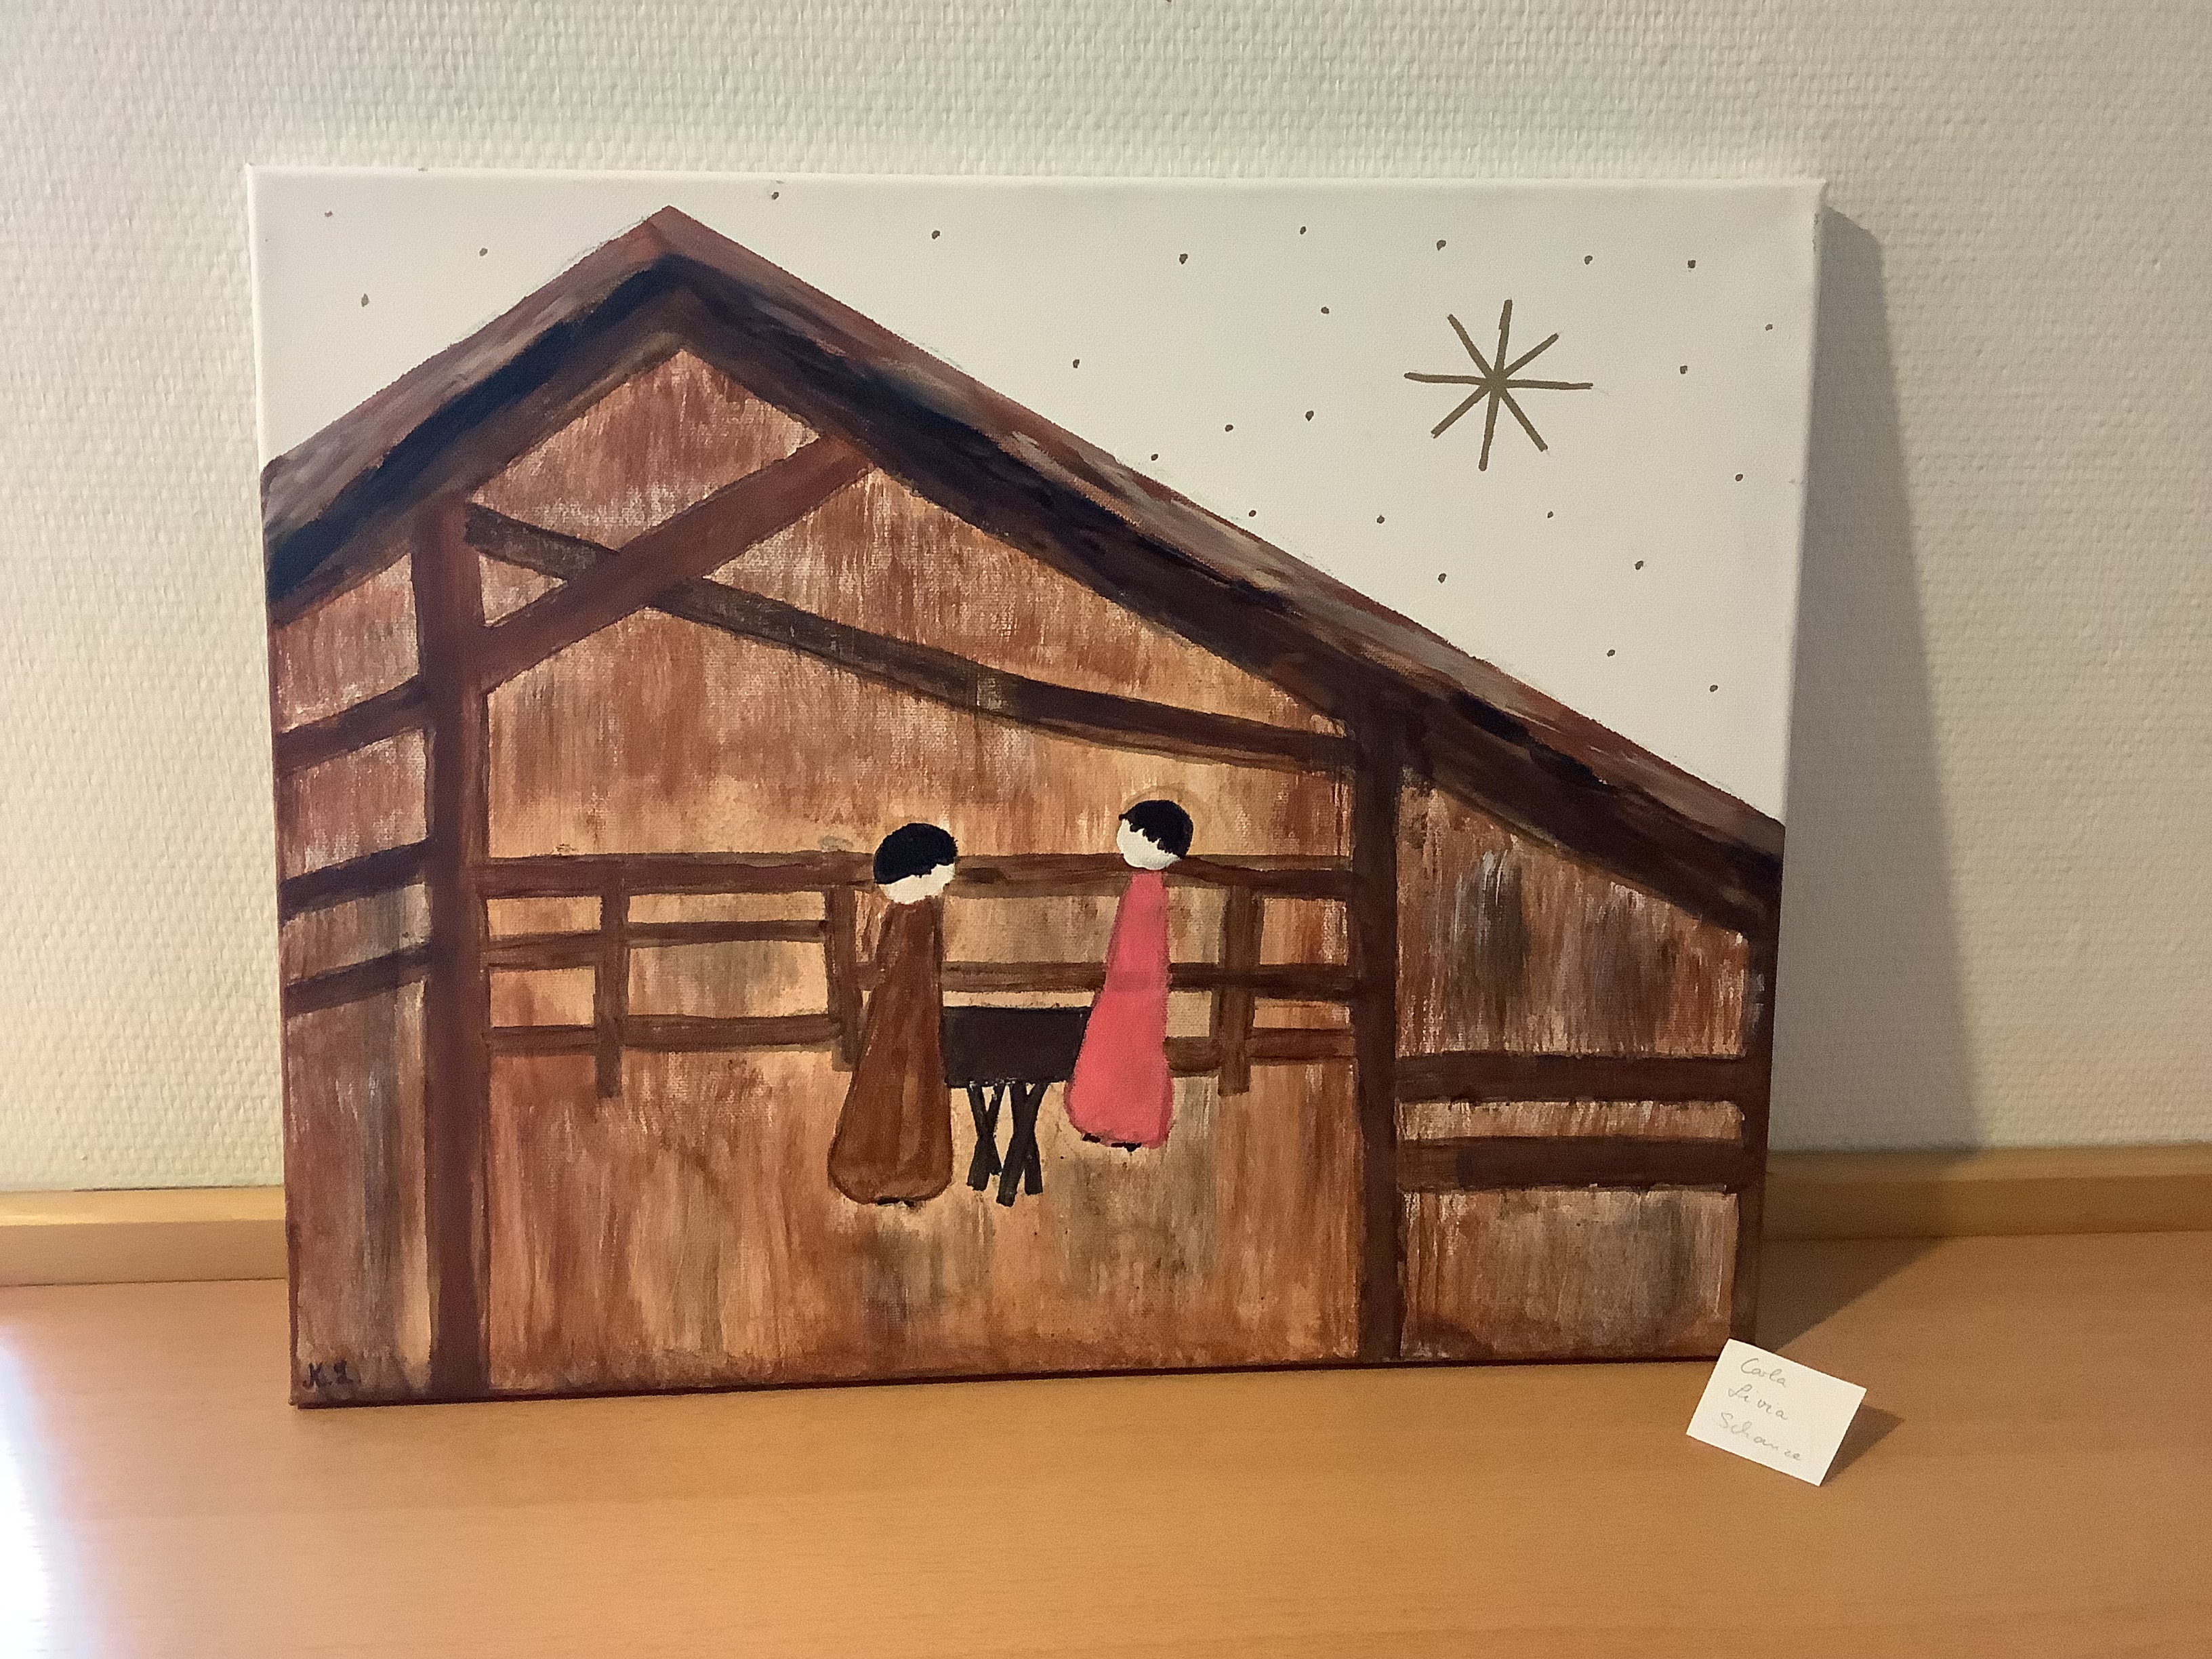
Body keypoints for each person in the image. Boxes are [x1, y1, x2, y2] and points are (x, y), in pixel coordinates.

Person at [827, 823, 958, 1204]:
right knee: (906, 1091)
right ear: (924, 874)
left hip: (896, 1020)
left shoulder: (910, 915)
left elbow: (894, 971)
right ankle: (903, 1170)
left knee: (894, 1088)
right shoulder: (917, 916)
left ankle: (894, 1169)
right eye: (945, 868)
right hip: (906, 1021)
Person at [1064, 799, 1191, 1149]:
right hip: (1132, 987)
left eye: (1130, 830)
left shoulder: (1147, 892)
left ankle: (1122, 1122)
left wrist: (1124, 983)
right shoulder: (1145, 887)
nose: (1122, 838)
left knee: (1125, 1046)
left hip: (1133, 988)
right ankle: (1115, 1121)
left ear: (1152, 841)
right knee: (1124, 1047)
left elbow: (1140, 950)